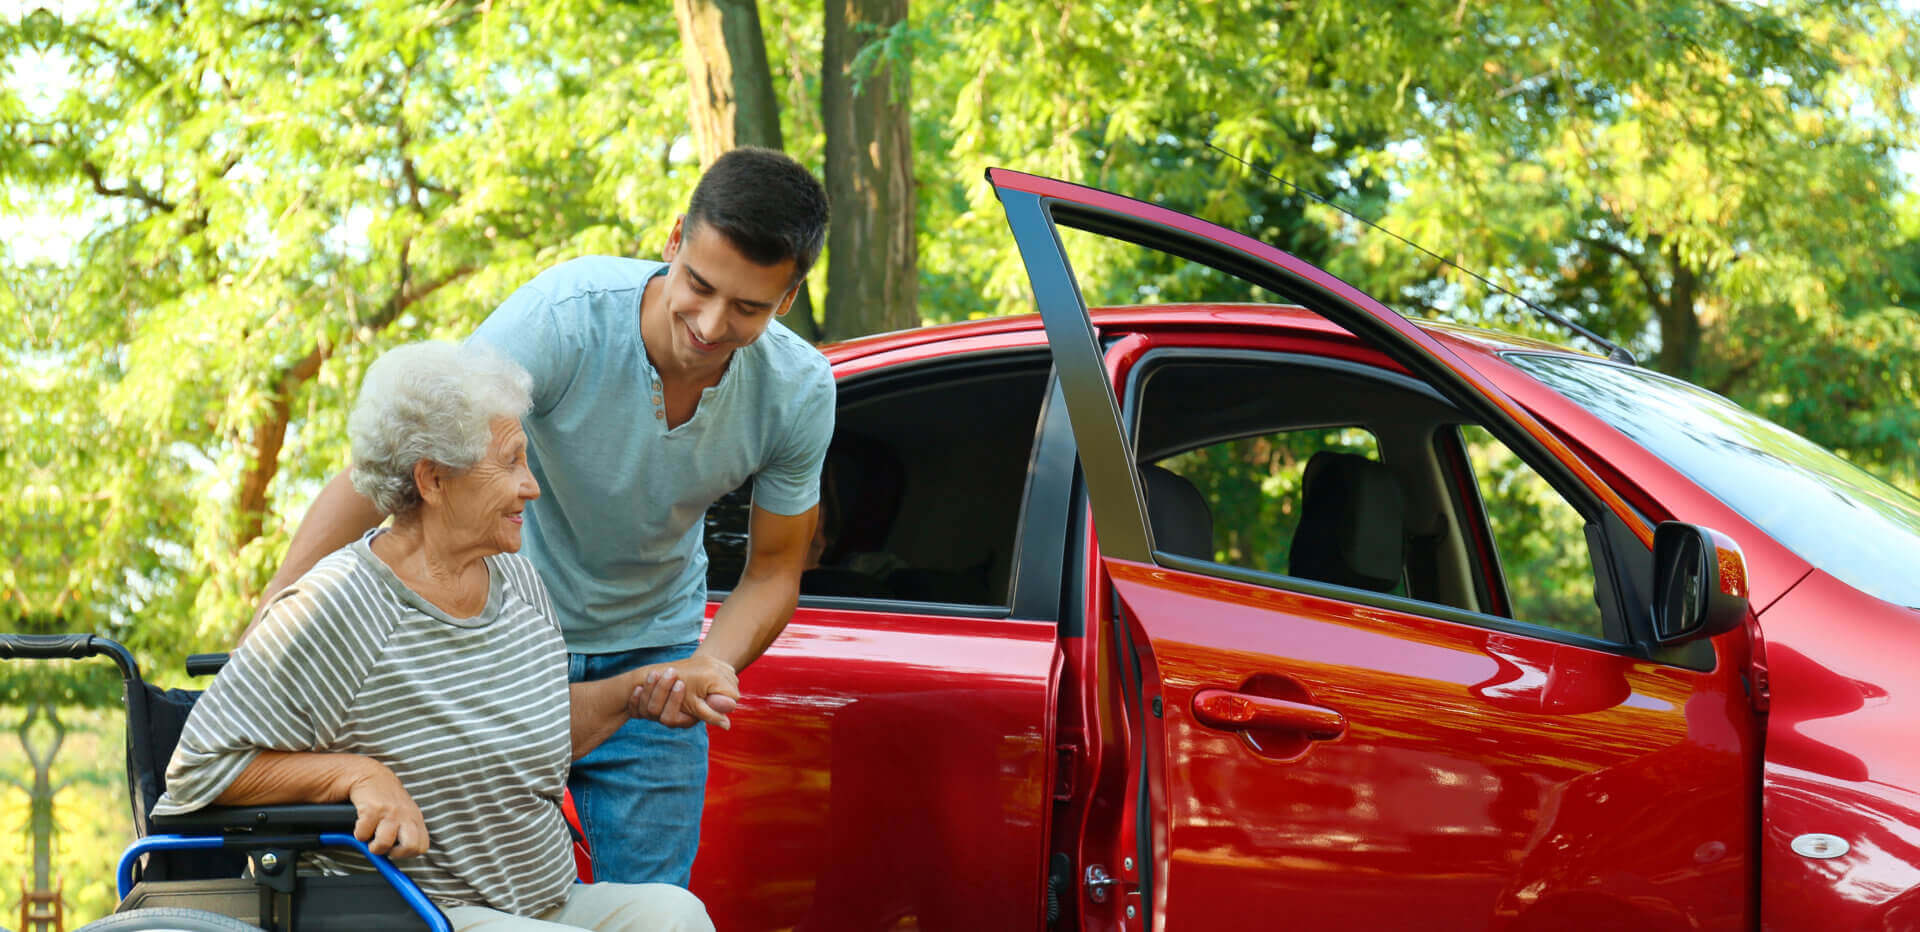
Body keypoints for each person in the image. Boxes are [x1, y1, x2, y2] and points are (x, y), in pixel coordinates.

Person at [244, 147, 836, 886]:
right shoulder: (564, 319)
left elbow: (776, 568)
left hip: (651, 659)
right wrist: (276, 615)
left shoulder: (798, 390)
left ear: (787, 301)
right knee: (460, 897)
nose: (711, 325)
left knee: (653, 909)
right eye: (699, 286)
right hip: (495, 650)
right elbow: (401, 463)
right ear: (674, 239)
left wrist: (713, 662)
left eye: (748, 307)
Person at [161, 343, 715, 931]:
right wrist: (358, 774)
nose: (532, 487)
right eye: (510, 463)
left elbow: (528, 730)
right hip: (417, 915)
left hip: (546, 903)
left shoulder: (520, 582)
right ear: (433, 480)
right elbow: (199, 770)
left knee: (676, 914)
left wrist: (635, 692)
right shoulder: (341, 603)